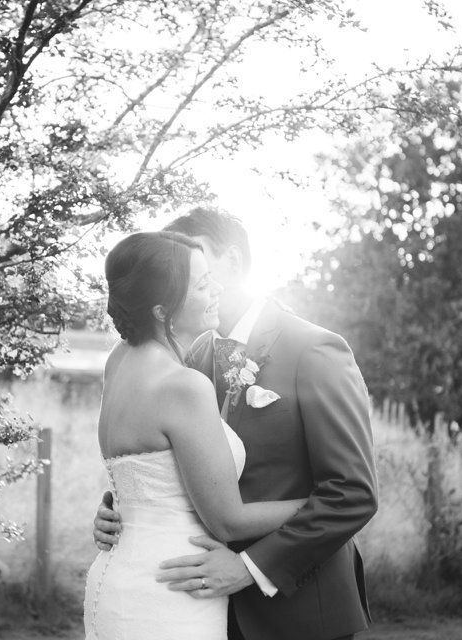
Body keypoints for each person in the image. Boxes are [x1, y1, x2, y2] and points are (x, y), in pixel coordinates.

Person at [93, 209, 379, 640]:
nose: (192, 273)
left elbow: (353, 493)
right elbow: (164, 462)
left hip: (297, 612)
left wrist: (249, 567)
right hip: (197, 601)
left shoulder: (314, 350)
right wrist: (121, 509)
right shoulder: (182, 359)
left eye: (198, 260)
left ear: (230, 262)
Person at [84, 231, 308, 640]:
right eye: (203, 284)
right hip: (174, 590)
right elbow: (228, 521)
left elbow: (138, 471)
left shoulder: (119, 360)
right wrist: (319, 504)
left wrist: (114, 508)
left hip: (116, 580)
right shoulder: (182, 385)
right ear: (163, 310)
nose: (217, 288)